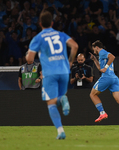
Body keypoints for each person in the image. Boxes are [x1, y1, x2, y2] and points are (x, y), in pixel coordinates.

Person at [26, 11, 78, 139]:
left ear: (40, 24)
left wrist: (28, 54)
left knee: (52, 102)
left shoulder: (38, 38)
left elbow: (30, 60)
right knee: (58, 98)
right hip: (65, 71)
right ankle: (62, 99)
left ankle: (60, 131)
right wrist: (70, 62)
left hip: (50, 73)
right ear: (52, 23)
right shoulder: (61, 34)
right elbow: (75, 46)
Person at [89, 40, 119, 127]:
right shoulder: (101, 56)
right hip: (114, 79)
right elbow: (101, 68)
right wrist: (95, 60)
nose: (94, 51)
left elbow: (112, 57)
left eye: (94, 49)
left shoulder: (102, 52)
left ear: (96, 47)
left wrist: (106, 68)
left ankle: (102, 113)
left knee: (92, 94)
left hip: (106, 77)